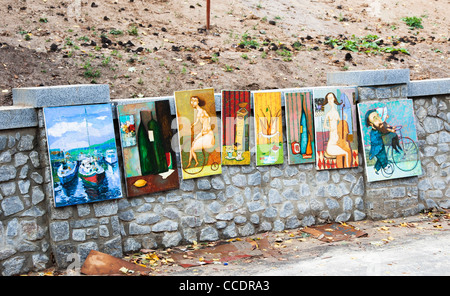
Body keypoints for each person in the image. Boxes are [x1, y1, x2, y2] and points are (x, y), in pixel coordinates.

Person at [365, 108, 402, 174]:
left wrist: (391, 128)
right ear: (371, 124)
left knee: (380, 159)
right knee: (383, 157)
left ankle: (376, 169)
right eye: (375, 118)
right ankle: (385, 167)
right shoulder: (375, 132)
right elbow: (384, 131)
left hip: (380, 146)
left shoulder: (378, 126)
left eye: (378, 116)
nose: (379, 119)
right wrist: (391, 130)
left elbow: (384, 127)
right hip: (377, 149)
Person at [322, 92, 351, 167]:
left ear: (334, 99)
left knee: (346, 151)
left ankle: (346, 165)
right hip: (332, 141)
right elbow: (324, 125)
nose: (330, 100)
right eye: (328, 99)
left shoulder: (337, 112)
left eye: (331, 98)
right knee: (346, 153)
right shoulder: (328, 113)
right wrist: (330, 128)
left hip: (338, 139)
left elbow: (341, 121)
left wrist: (345, 117)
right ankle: (347, 165)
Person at [188, 96, 215, 168]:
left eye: (194, 101)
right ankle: (192, 162)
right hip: (205, 132)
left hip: (206, 133)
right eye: (192, 101)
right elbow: (197, 121)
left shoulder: (202, 112)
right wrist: (192, 125)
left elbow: (206, 122)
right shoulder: (200, 112)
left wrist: (205, 129)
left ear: (198, 102)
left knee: (193, 147)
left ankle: (194, 162)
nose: (192, 102)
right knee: (192, 147)